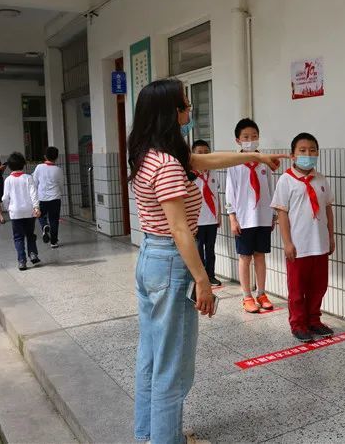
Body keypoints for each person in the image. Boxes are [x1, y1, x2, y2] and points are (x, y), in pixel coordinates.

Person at [128, 78, 286, 444]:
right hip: (171, 260)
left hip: (151, 257)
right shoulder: (168, 164)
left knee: (152, 354)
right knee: (173, 364)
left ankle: (150, 434)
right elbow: (182, 231)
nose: (189, 110)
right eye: (185, 105)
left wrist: (255, 157)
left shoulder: (150, 153)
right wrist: (202, 281)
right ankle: (167, 439)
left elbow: (208, 159)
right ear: (171, 112)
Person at [271, 133, 335, 343]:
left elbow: (327, 210)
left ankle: (314, 320)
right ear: (293, 155)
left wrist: (331, 238)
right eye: (303, 150)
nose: (308, 154)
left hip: (320, 244)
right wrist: (287, 243)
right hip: (298, 246)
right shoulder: (286, 180)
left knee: (319, 286)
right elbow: (281, 213)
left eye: (313, 150)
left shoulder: (321, 179)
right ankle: (298, 323)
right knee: (297, 289)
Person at [225, 118, 276, 313]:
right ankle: (246, 296)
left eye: (254, 136)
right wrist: (232, 217)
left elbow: (270, 189)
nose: (250, 140)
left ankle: (261, 293)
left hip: (263, 216)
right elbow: (230, 192)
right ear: (238, 140)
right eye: (246, 137)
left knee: (260, 255)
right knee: (245, 257)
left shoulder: (263, 162)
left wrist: (273, 215)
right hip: (244, 219)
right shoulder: (234, 164)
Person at [1, 152, 41, 271]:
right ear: (23, 165)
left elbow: (4, 198)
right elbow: (34, 194)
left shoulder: (8, 180)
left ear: (9, 166)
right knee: (30, 234)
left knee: (18, 237)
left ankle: (22, 261)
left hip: (15, 213)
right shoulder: (28, 178)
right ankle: (33, 254)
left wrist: (9, 208)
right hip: (29, 212)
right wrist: (36, 207)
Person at [191, 139, 222, 288]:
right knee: (198, 249)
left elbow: (216, 194)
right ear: (193, 154)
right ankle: (200, 277)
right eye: (199, 153)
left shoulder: (213, 171)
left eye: (206, 152)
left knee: (210, 249)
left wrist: (219, 215)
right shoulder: (191, 174)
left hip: (211, 218)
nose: (203, 155)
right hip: (197, 219)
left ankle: (211, 275)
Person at [33, 146, 65, 248]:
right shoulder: (58, 170)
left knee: (41, 215)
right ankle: (54, 242)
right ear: (57, 157)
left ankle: (44, 226)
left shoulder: (39, 167)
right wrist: (59, 193)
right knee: (54, 219)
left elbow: (34, 182)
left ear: (45, 156)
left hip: (42, 198)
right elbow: (61, 184)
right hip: (55, 198)